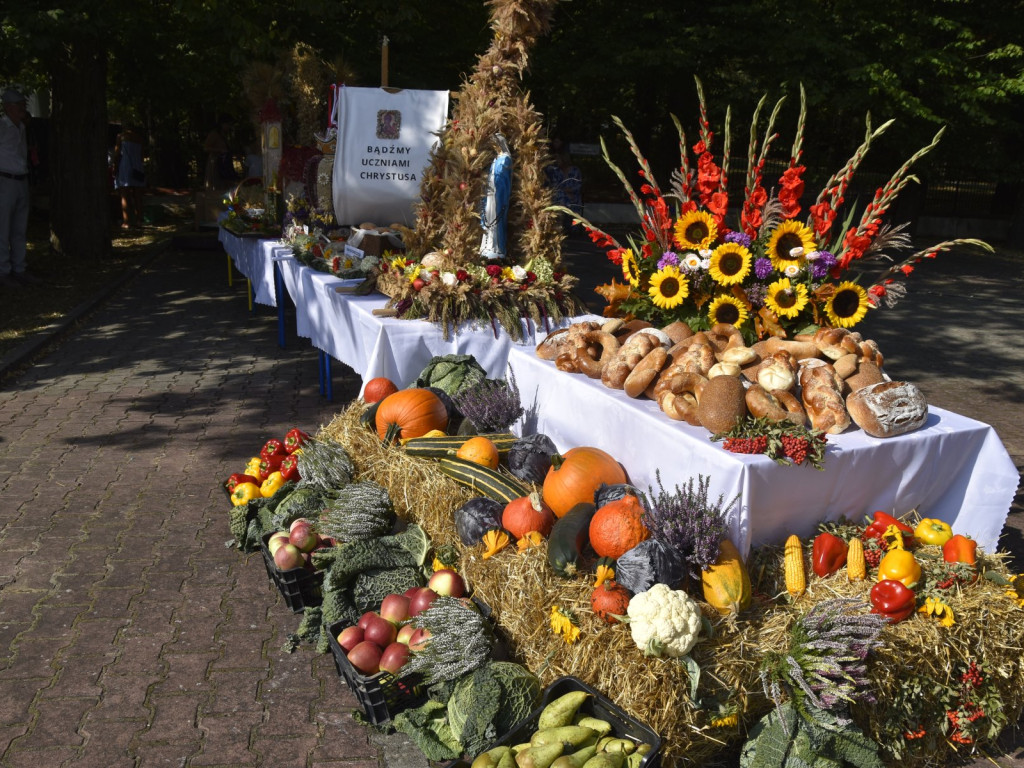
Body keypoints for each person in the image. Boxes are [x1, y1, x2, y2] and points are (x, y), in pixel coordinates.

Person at [0, 87, 39, 288]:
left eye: (23, 105)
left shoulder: (22, 127)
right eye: (20, 105)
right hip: (5, 180)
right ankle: (3, 271)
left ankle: (19, 268)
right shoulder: (2, 126)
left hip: (21, 180)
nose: (23, 109)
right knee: (3, 228)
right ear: (8, 108)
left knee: (19, 228)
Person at [113, 125, 145, 229]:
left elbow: (117, 154)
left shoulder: (121, 136)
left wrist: (115, 166)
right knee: (138, 195)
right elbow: (142, 156)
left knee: (124, 194)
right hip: (138, 167)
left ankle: (126, 222)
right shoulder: (139, 138)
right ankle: (140, 220)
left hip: (125, 166)